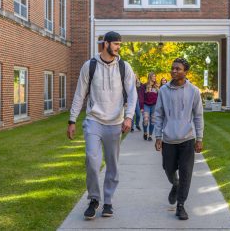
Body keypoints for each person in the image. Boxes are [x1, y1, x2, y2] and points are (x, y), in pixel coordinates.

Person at [67, 31, 137, 220]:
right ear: (105, 44)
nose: (118, 48)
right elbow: (79, 94)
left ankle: (108, 201)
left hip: (115, 123)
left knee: (112, 165)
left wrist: (129, 117)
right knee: (92, 160)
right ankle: (93, 199)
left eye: (119, 45)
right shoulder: (89, 66)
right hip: (94, 121)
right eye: (115, 44)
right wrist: (72, 120)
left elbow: (132, 94)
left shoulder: (124, 67)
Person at [154, 58, 204, 221]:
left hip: (187, 139)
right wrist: (158, 136)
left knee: (186, 173)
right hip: (169, 139)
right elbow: (159, 114)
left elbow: (198, 116)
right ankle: (174, 184)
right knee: (168, 169)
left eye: (178, 69)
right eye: (172, 68)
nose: (174, 71)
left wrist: (199, 138)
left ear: (185, 72)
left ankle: (181, 205)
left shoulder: (194, 91)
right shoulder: (163, 90)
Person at [139, 72, 159, 141]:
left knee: (153, 121)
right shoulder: (144, 86)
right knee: (146, 120)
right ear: (150, 77)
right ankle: (145, 133)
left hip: (154, 105)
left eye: (155, 76)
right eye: (153, 76)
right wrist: (141, 107)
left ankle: (150, 135)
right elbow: (141, 97)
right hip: (146, 105)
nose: (154, 78)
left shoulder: (156, 86)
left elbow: (159, 97)